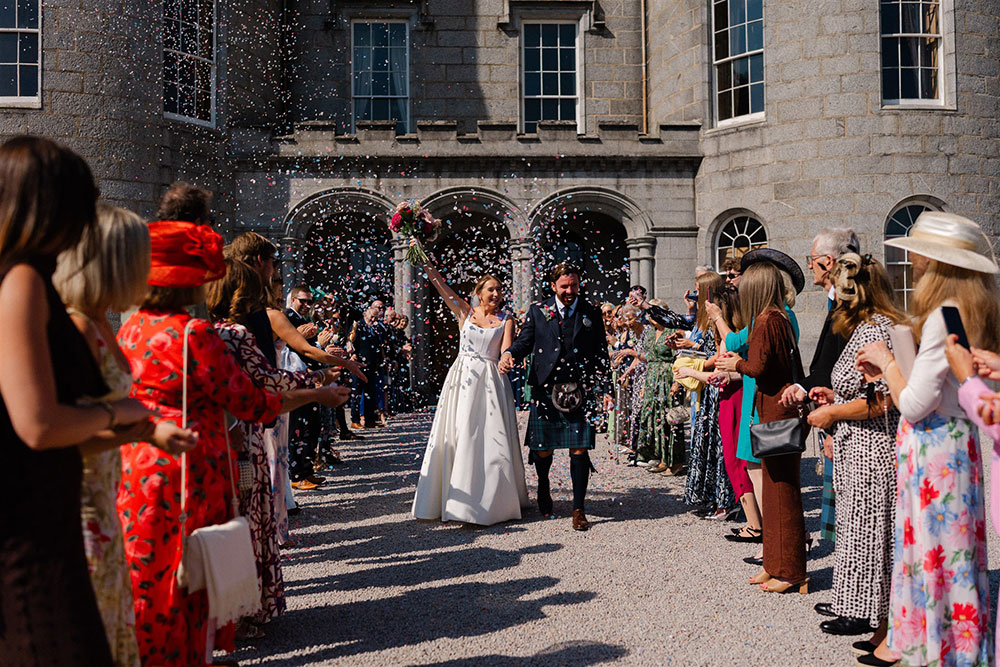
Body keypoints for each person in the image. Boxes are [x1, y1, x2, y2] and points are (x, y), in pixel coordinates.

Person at [0, 136, 151, 665]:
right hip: (30, 526)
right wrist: (118, 411)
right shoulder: (21, 279)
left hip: (48, 512)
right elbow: (37, 425)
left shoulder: (30, 278)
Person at [116, 219, 285, 666]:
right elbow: (249, 401)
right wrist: (312, 393)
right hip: (191, 465)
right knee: (193, 568)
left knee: (150, 568)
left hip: (138, 463)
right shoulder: (194, 334)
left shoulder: (131, 329)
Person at [54, 204, 198, 667]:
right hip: (79, 498)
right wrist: (127, 417)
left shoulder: (100, 320)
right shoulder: (77, 326)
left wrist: (148, 431)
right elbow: (54, 433)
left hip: (105, 489)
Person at [856, 212, 998, 667]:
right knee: (956, 553)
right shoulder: (978, 309)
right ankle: (943, 642)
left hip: (935, 448)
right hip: (960, 443)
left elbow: (916, 404)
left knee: (932, 553)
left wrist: (887, 362)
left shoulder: (942, 315)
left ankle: (933, 647)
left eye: (918, 253)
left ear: (935, 262)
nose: (913, 260)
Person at [806, 255, 905, 648]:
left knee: (871, 533)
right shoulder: (869, 327)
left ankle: (879, 622)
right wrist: (834, 396)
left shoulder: (876, 330)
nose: (835, 297)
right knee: (861, 531)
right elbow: (865, 391)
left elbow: (882, 402)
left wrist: (832, 412)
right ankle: (872, 617)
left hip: (873, 447)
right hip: (859, 445)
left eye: (840, 289)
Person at [411, 245, 529, 525]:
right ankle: (456, 502)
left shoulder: (506, 320)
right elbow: (440, 286)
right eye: (491, 289)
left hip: (491, 380)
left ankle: (494, 502)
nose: (496, 294)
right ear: (479, 292)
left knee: (491, 438)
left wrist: (506, 360)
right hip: (463, 379)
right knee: (461, 434)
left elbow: (506, 349)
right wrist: (422, 256)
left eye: (499, 289)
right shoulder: (465, 312)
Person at [716, 260, 808, 594]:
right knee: (772, 492)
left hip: (777, 413)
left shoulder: (769, 320)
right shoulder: (774, 318)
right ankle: (774, 563)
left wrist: (735, 363)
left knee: (782, 495)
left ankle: (792, 571)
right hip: (771, 411)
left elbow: (758, 367)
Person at [500, 264, 611, 531]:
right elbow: (525, 341)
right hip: (545, 387)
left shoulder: (591, 312)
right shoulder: (538, 311)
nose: (570, 291)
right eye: (564, 286)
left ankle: (578, 508)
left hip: (580, 388)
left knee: (579, 448)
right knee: (543, 449)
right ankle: (543, 485)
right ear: (553, 286)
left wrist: (607, 389)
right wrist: (509, 354)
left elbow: (600, 352)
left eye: (574, 285)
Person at [780, 228, 860, 600]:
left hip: (847, 417)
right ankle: (850, 594)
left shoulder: (850, 305)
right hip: (833, 407)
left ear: (827, 262)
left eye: (812, 260)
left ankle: (857, 600)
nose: (810, 266)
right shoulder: (837, 301)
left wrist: (830, 413)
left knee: (855, 513)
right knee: (845, 514)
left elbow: (844, 367)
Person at [676, 271, 733, 519]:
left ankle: (725, 500)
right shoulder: (705, 318)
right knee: (706, 442)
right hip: (708, 389)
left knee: (718, 445)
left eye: (699, 289)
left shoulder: (720, 318)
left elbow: (721, 355)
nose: (695, 294)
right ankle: (711, 496)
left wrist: (692, 367)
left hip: (716, 386)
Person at [635, 300, 685, 475]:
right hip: (652, 378)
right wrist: (645, 385)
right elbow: (648, 359)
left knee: (670, 419)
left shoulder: (672, 332)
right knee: (654, 419)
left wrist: (677, 382)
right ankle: (662, 457)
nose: (651, 317)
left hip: (668, 377)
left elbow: (679, 357)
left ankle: (675, 461)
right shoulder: (650, 334)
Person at [615, 304, 647, 464]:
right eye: (625, 320)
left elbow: (648, 356)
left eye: (630, 319)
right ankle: (635, 448)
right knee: (635, 412)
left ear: (638, 316)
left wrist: (631, 352)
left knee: (642, 412)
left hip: (648, 375)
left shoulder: (647, 331)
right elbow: (636, 359)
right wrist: (626, 374)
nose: (628, 323)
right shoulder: (634, 334)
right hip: (638, 375)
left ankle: (643, 450)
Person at [350, 299, 386, 429]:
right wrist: (352, 354)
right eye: (371, 317)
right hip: (359, 364)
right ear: (365, 315)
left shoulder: (376, 328)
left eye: (375, 318)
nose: (373, 319)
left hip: (372, 364)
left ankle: (370, 419)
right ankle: (355, 420)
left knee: (371, 393)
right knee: (357, 393)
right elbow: (350, 341)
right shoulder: (358, 325)